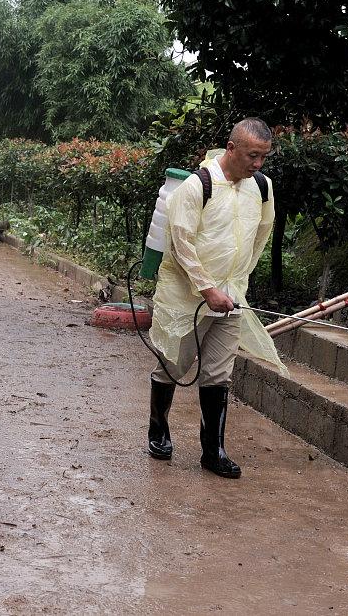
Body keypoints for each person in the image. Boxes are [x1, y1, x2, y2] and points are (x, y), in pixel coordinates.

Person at [146, 117, 285, 479]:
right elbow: (180, 243)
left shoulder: (262, 187)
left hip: (231, 296)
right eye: (252, 156)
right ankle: (158, 429)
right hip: (187, 295)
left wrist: (235, 283)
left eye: (263, 157)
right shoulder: (198, 186)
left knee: (219, 373)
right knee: (173, 365)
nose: (257, 164)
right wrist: (207, 289)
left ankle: (213, 451)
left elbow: (260, 237)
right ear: (232, 148)